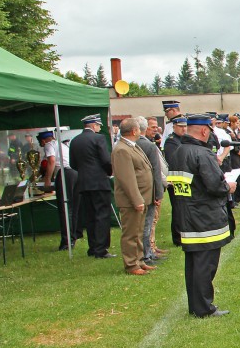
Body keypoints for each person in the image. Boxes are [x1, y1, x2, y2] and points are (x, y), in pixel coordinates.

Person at [168, 113, 236, 318]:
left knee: (194, 263)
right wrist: (229, 187)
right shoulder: (201, 153)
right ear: (205, 130)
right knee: (205, 264)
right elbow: (215, 185)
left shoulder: (179, 151)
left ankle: (196, 304)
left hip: (187, 214)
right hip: (204, 217)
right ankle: (204, 307)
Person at [112, 118, 155, 276]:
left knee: (138, 231)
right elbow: (127, 178)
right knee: (130, 233)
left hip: (142, 197)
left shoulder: (131, 146)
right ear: (133, 131)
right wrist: (137, 200)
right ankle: (131, 264)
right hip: (131, 200)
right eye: (138, 129)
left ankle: (139, 260)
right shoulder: (122, 149)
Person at [70, 114, 114, 258]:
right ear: (94, 125)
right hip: (99, 182)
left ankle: (93, 247)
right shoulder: (98, 138)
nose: (99, 128)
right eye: (99, 125)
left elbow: (72, 164)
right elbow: (106, 160)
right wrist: (109, 172)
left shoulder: (75, 141)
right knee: (102, 215)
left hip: (83, 182)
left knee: (90, 216)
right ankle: (101, 249)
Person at [39, 129, 78, 251]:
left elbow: (51, 161)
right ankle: (72, 237)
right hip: (73, 173)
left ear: (43, 140)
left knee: (64, 208)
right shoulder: (61, 144)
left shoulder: (49, 145)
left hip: (65, 173)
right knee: (71, 207)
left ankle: (66, 242)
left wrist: (47, 180)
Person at [136, 117, 167, 265]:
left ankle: (147, 251)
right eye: (152, 127)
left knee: (144, 224)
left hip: (139, 189)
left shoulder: (134, 144)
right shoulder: (147, 145)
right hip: (149, 190)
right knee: (147, 223)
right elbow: (156, 170)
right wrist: (158, 193)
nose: (155, 129)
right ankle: (147, 254)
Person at [163, 115, 187, 246]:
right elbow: (174, 160)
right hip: (176, 178)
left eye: (185, 126)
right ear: (174, 127)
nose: (184, 129)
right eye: (181, 127)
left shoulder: (182, 139)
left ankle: (183, 233)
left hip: (183, 178)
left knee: (183, 208)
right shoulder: (172, 141)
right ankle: (178, 237)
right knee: (178, 208)